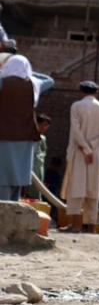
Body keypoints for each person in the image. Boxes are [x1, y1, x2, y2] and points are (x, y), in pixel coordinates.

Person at [60, 81, 99, 233]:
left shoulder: (76, 106)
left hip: (80, 151)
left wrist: (85, 148)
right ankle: (91, 227)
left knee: (77, 187)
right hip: (96, 153)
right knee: (93, 189)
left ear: (81, 92)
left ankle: (76, 225)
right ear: (96, 93)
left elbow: (76, 131)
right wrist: (92, 145)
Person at [0, 55, 54, 201]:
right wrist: (27, 72)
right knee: (18, 176)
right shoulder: (34, 83)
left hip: (4, 135)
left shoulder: (2, 82)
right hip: (26, 137)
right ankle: (14, 206)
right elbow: (49, 80)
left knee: (3, 175)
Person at [24, 114, 51, 200]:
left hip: (39, 168)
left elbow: (43, 153)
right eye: (41, 124)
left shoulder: (43, 139)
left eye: (46, 125)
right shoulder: (29, 137)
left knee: (37, 191)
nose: (43, 127)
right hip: (30, 168)